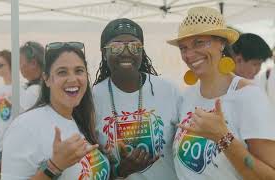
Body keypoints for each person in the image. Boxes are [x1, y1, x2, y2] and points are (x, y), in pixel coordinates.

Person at [167, 6, 275, 180]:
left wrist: (223, 138)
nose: (189, 54)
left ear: (222, 43)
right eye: (183, 48)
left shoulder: (249, 97)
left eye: (199, 43)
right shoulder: (186, 97)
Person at [1, 42, 110, 179]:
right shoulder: (25, 126)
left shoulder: (81, 120)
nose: (72, 79)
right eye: (62, 72)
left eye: (79, 71)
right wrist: (55, 166)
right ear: (46, 79)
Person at [93, 18, 181, 179]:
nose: (126, 52)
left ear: (142, 51)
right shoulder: (92, 99)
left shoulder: (169, 91)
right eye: (116, 47)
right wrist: (120, 171)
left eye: (135, 46)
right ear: (104, 53)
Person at [19, 41, 44, 112]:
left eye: (20, 62)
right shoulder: (47, 86)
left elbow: (18, 118)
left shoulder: (34, 91)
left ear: (33, 63)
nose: (19, 67)